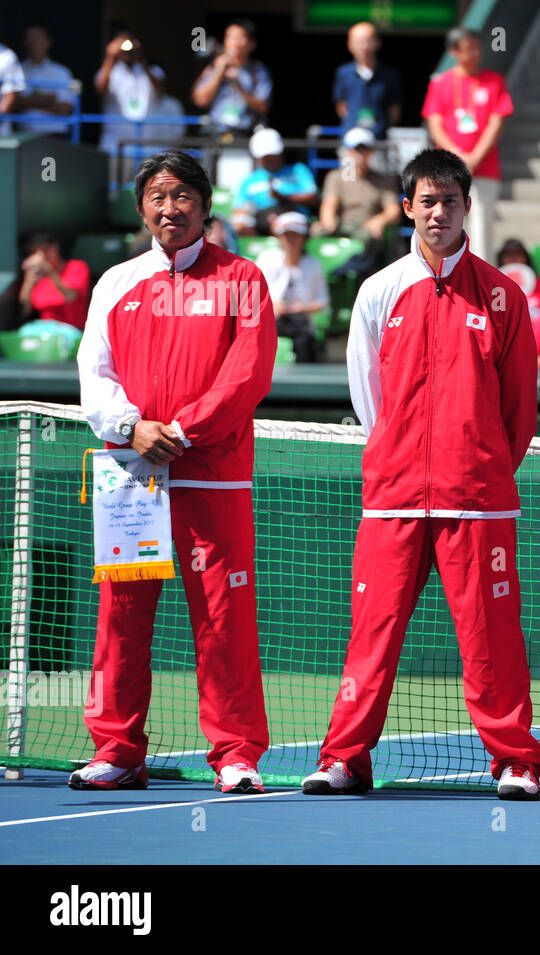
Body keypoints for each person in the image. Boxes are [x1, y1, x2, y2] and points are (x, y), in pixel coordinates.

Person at [301, 148, 540, 798]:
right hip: (394, 500)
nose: (439, 212)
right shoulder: (378, 291)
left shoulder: (503, 295)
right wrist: (404, 455)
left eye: (451, 200)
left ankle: (515, 761)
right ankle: (346, 757)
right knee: (372, 634)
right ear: (407, 206)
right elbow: (368, 401)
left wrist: (480, 462)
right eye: (427, 201)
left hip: (479, 501)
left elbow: (518, 410)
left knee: (492, 640)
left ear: (469, 206)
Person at [72, 149, 276, 793]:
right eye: (158, 197)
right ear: (141, 209)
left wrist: (181, 431)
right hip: (130, 475)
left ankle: (236, 753)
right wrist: (133, 429)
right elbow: (93, 373)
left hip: (211, 476)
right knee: (121, 618)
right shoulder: (115, 282)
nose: (170, 208)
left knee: (223, 617)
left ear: (206, 205)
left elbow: (247, 374)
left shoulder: (244, 279)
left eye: (183, 195)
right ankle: (117, 750)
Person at [422, 28, 512, 265]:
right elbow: (435, 125)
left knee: (483, 228)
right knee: (445, 223)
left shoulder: (494, 81)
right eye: (467, 47)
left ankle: (480, 287)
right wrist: (459, 156)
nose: (473, 53)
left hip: (485, 168)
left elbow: (496, 122)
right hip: (448, 170)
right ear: (454, 52)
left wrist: (474, 157)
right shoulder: (441, 82)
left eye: (476, 47)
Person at [316, 126, 402, 267]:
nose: (361, 154)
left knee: (365, 239)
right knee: (316, 233)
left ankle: (353, 274)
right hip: (341, 227)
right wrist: (328, 221)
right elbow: (329, 206)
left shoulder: (384, 180)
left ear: (371, 151)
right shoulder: (336, 177)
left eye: (365, 149)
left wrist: (379, 220)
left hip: (366, 230)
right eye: (357, 149)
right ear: (348, 151)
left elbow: (393, 210)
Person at [255, 212, 328, 364]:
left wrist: (302, 308)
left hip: (301, 322)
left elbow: (322, 302)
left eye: (295, 236)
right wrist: (272, 306)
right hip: (271, 318)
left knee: (304, 340)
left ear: (304, 238)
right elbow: (253, 295)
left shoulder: (313, 264)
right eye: (286, 236)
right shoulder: (267, 258)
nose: (291, 241)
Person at [93, 31, 165, 177]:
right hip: (115, 143)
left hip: (145, 146)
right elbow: (100, 89)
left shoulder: (151, 71)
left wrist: (141, 59)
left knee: (144, 190)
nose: (127, 50)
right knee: (113, 190)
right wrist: (110, 56)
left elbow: (160, 89)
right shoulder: (110, 72)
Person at [232, 128, 320, 237]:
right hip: (260, 220)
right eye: (265, 157)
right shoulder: (249, 180)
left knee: (286, 225)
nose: (270, 160)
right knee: (238, 226)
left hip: (293, 217)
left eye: (273, 155)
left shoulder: (298, 170)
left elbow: (313, 198)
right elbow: (239, 209)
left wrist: (284, 198)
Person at [191, 19, 272, 134]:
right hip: (214, 132)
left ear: (252, 44)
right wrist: (219, 71)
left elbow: (263, 107)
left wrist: (239, 85)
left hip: (244, 133)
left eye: (239, 38)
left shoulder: (258, 71)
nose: (234, 43)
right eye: (230, 37)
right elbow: (200, 100)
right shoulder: (214, 67)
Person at [332, 21, 403, 138]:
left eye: (367, 40)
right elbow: (341, 105)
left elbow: (394, 109)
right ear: (349, 44)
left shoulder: (390, 75)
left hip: (379, 140)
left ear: (377, 42)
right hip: (351, 139)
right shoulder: (343, 73)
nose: (363, 46)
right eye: (358, 41)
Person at [18, 233, 90, 330]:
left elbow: (70, 297)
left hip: (72, 331)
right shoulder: (37, 277)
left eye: (45, 250)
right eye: (35, 252)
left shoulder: (76, 267)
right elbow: (24, 310)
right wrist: (28, 281)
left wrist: (49, 271)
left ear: (55, 247)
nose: (41, 257)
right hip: (44, 332)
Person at [18, 24, 75, 135]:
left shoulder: (62, 72)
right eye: (30, 38)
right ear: (24, 42)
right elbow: (11, 105)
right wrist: (43, 101)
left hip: (54, 139)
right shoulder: (16, 71)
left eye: (38, 38)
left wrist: (27, 102)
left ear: (48, 42)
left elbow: (65, 109)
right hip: (24, 137)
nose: (34, 43)